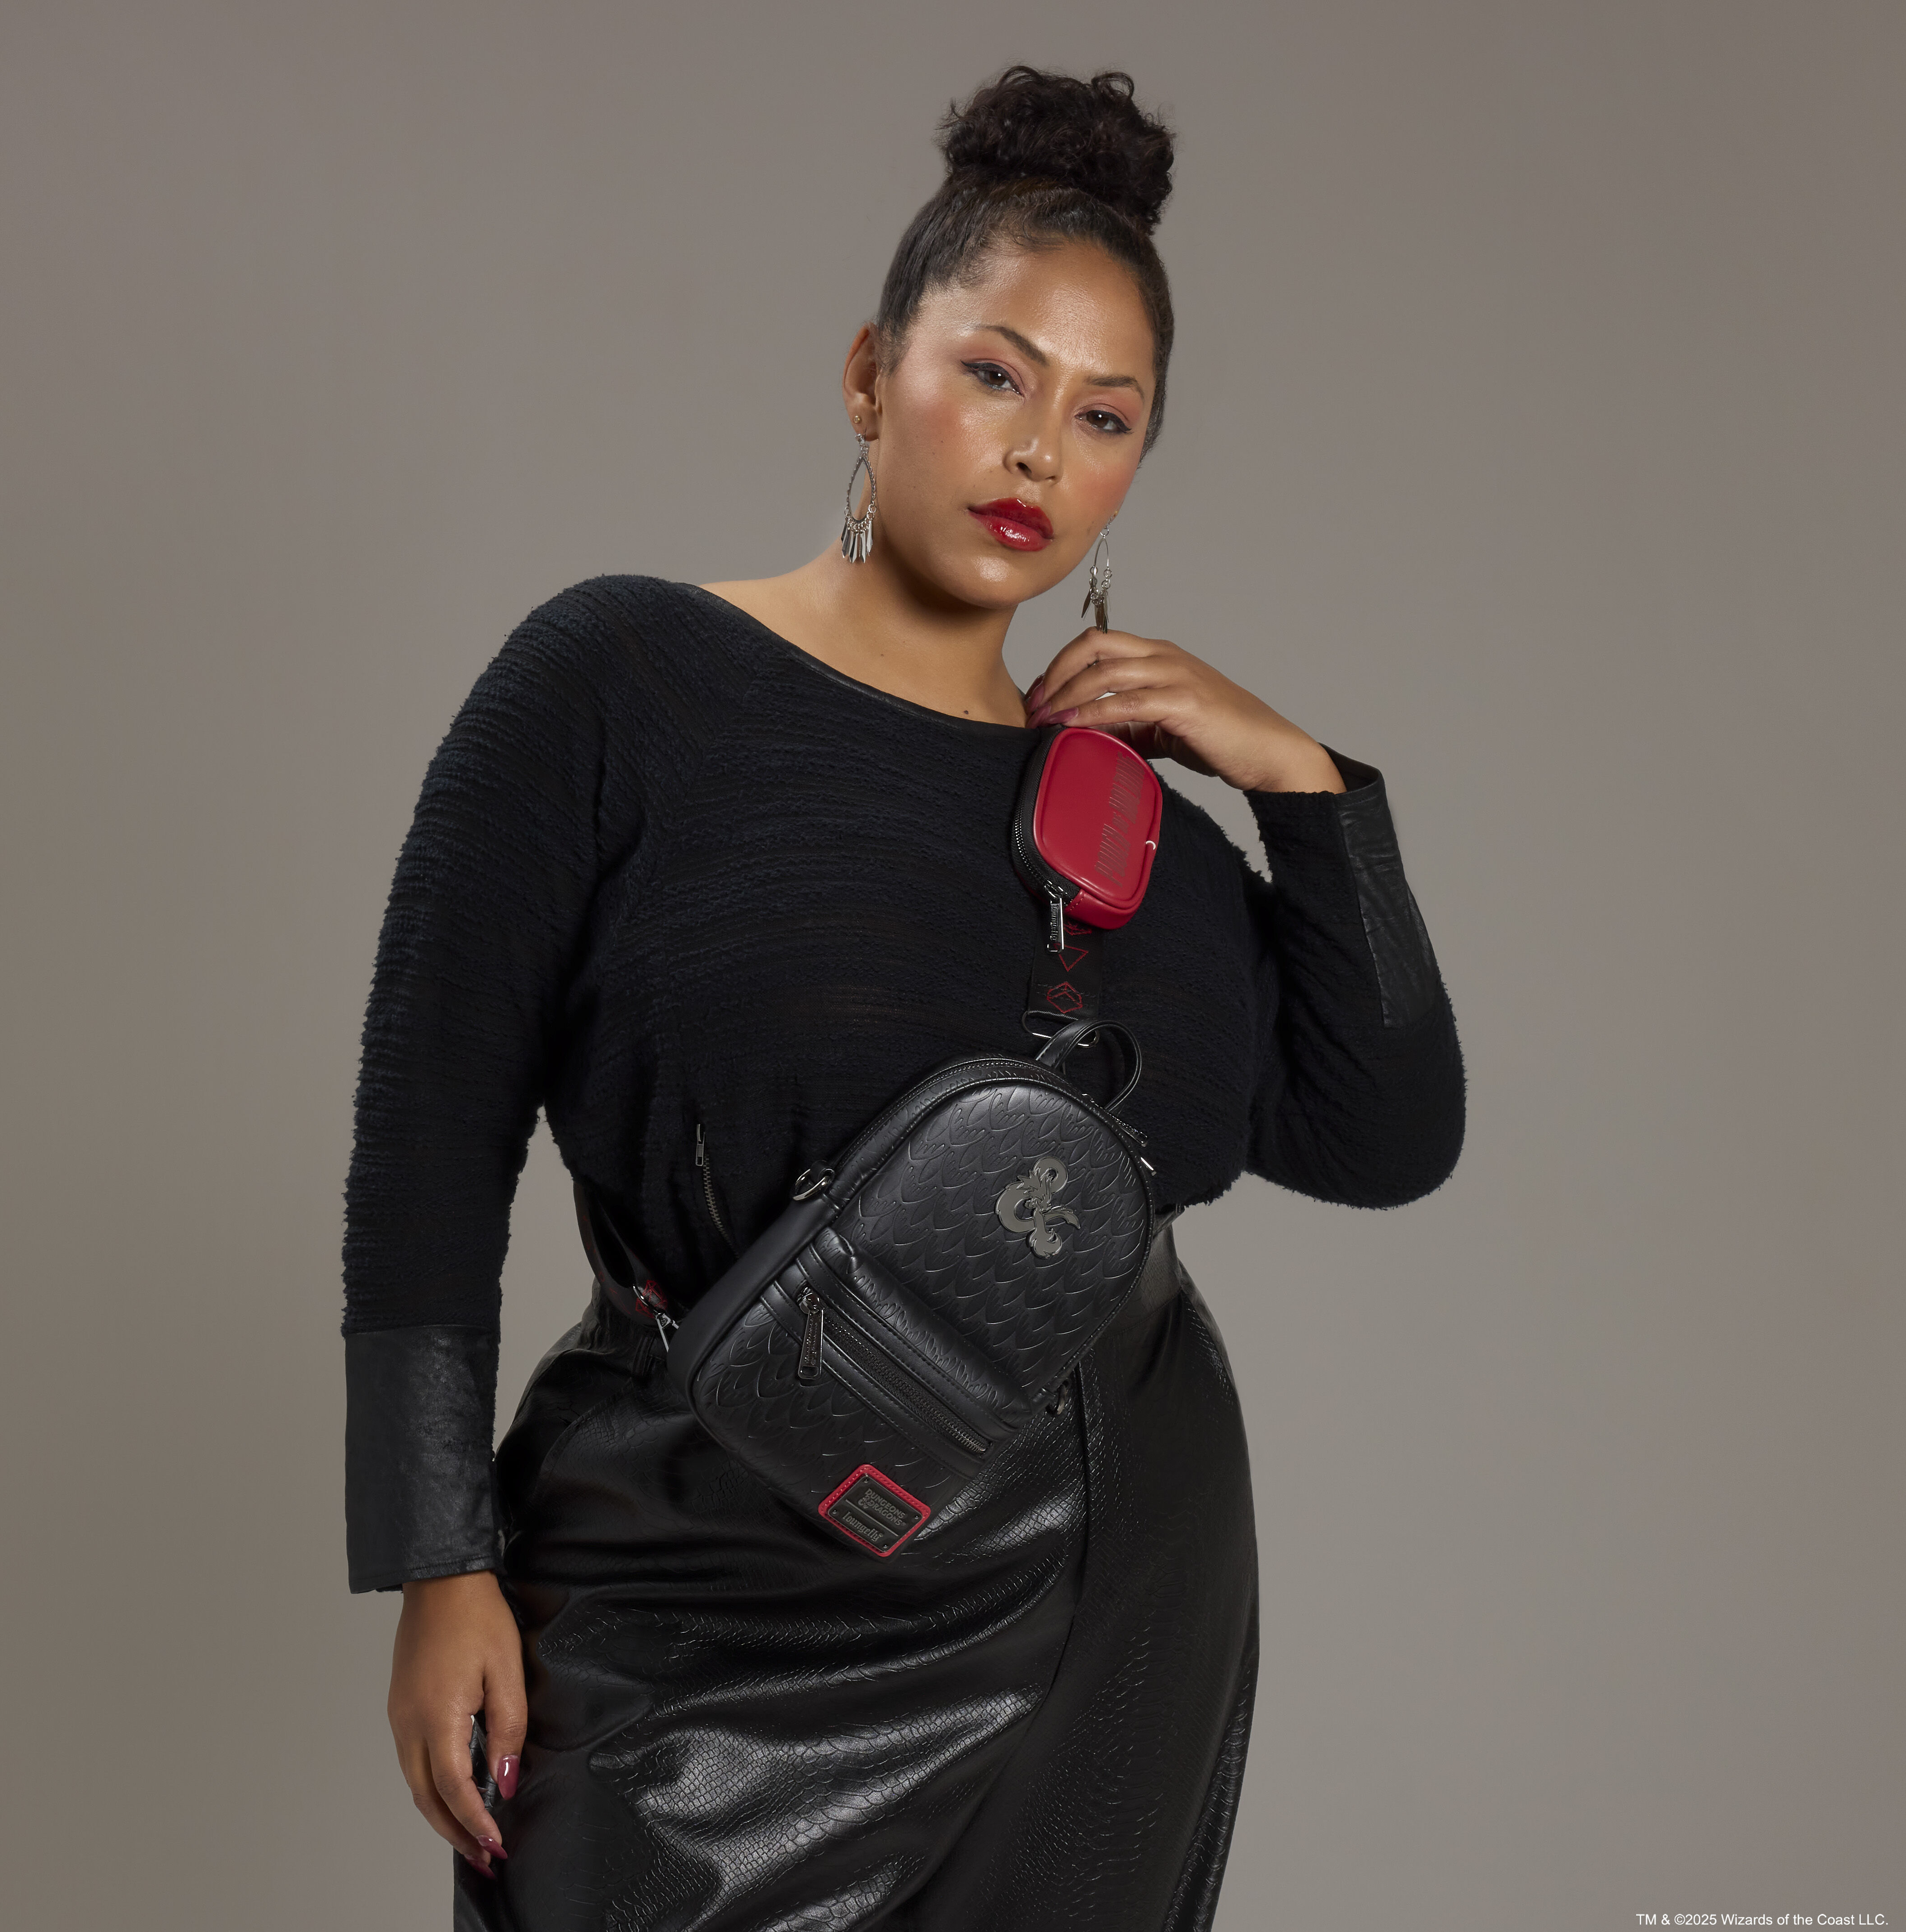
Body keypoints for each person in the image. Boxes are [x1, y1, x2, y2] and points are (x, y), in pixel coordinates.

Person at [343, 64, 1465, 1931]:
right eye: (994, 374)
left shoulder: (1151, 847)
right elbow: (428, 1126)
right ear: (871, 375)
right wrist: (437, 1557)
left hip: (1110, 1592)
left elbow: (1386, 1133)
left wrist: (1303, 787)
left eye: (1103, 415)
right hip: (702, 1567)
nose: (1038, 453)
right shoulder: (623, 680)